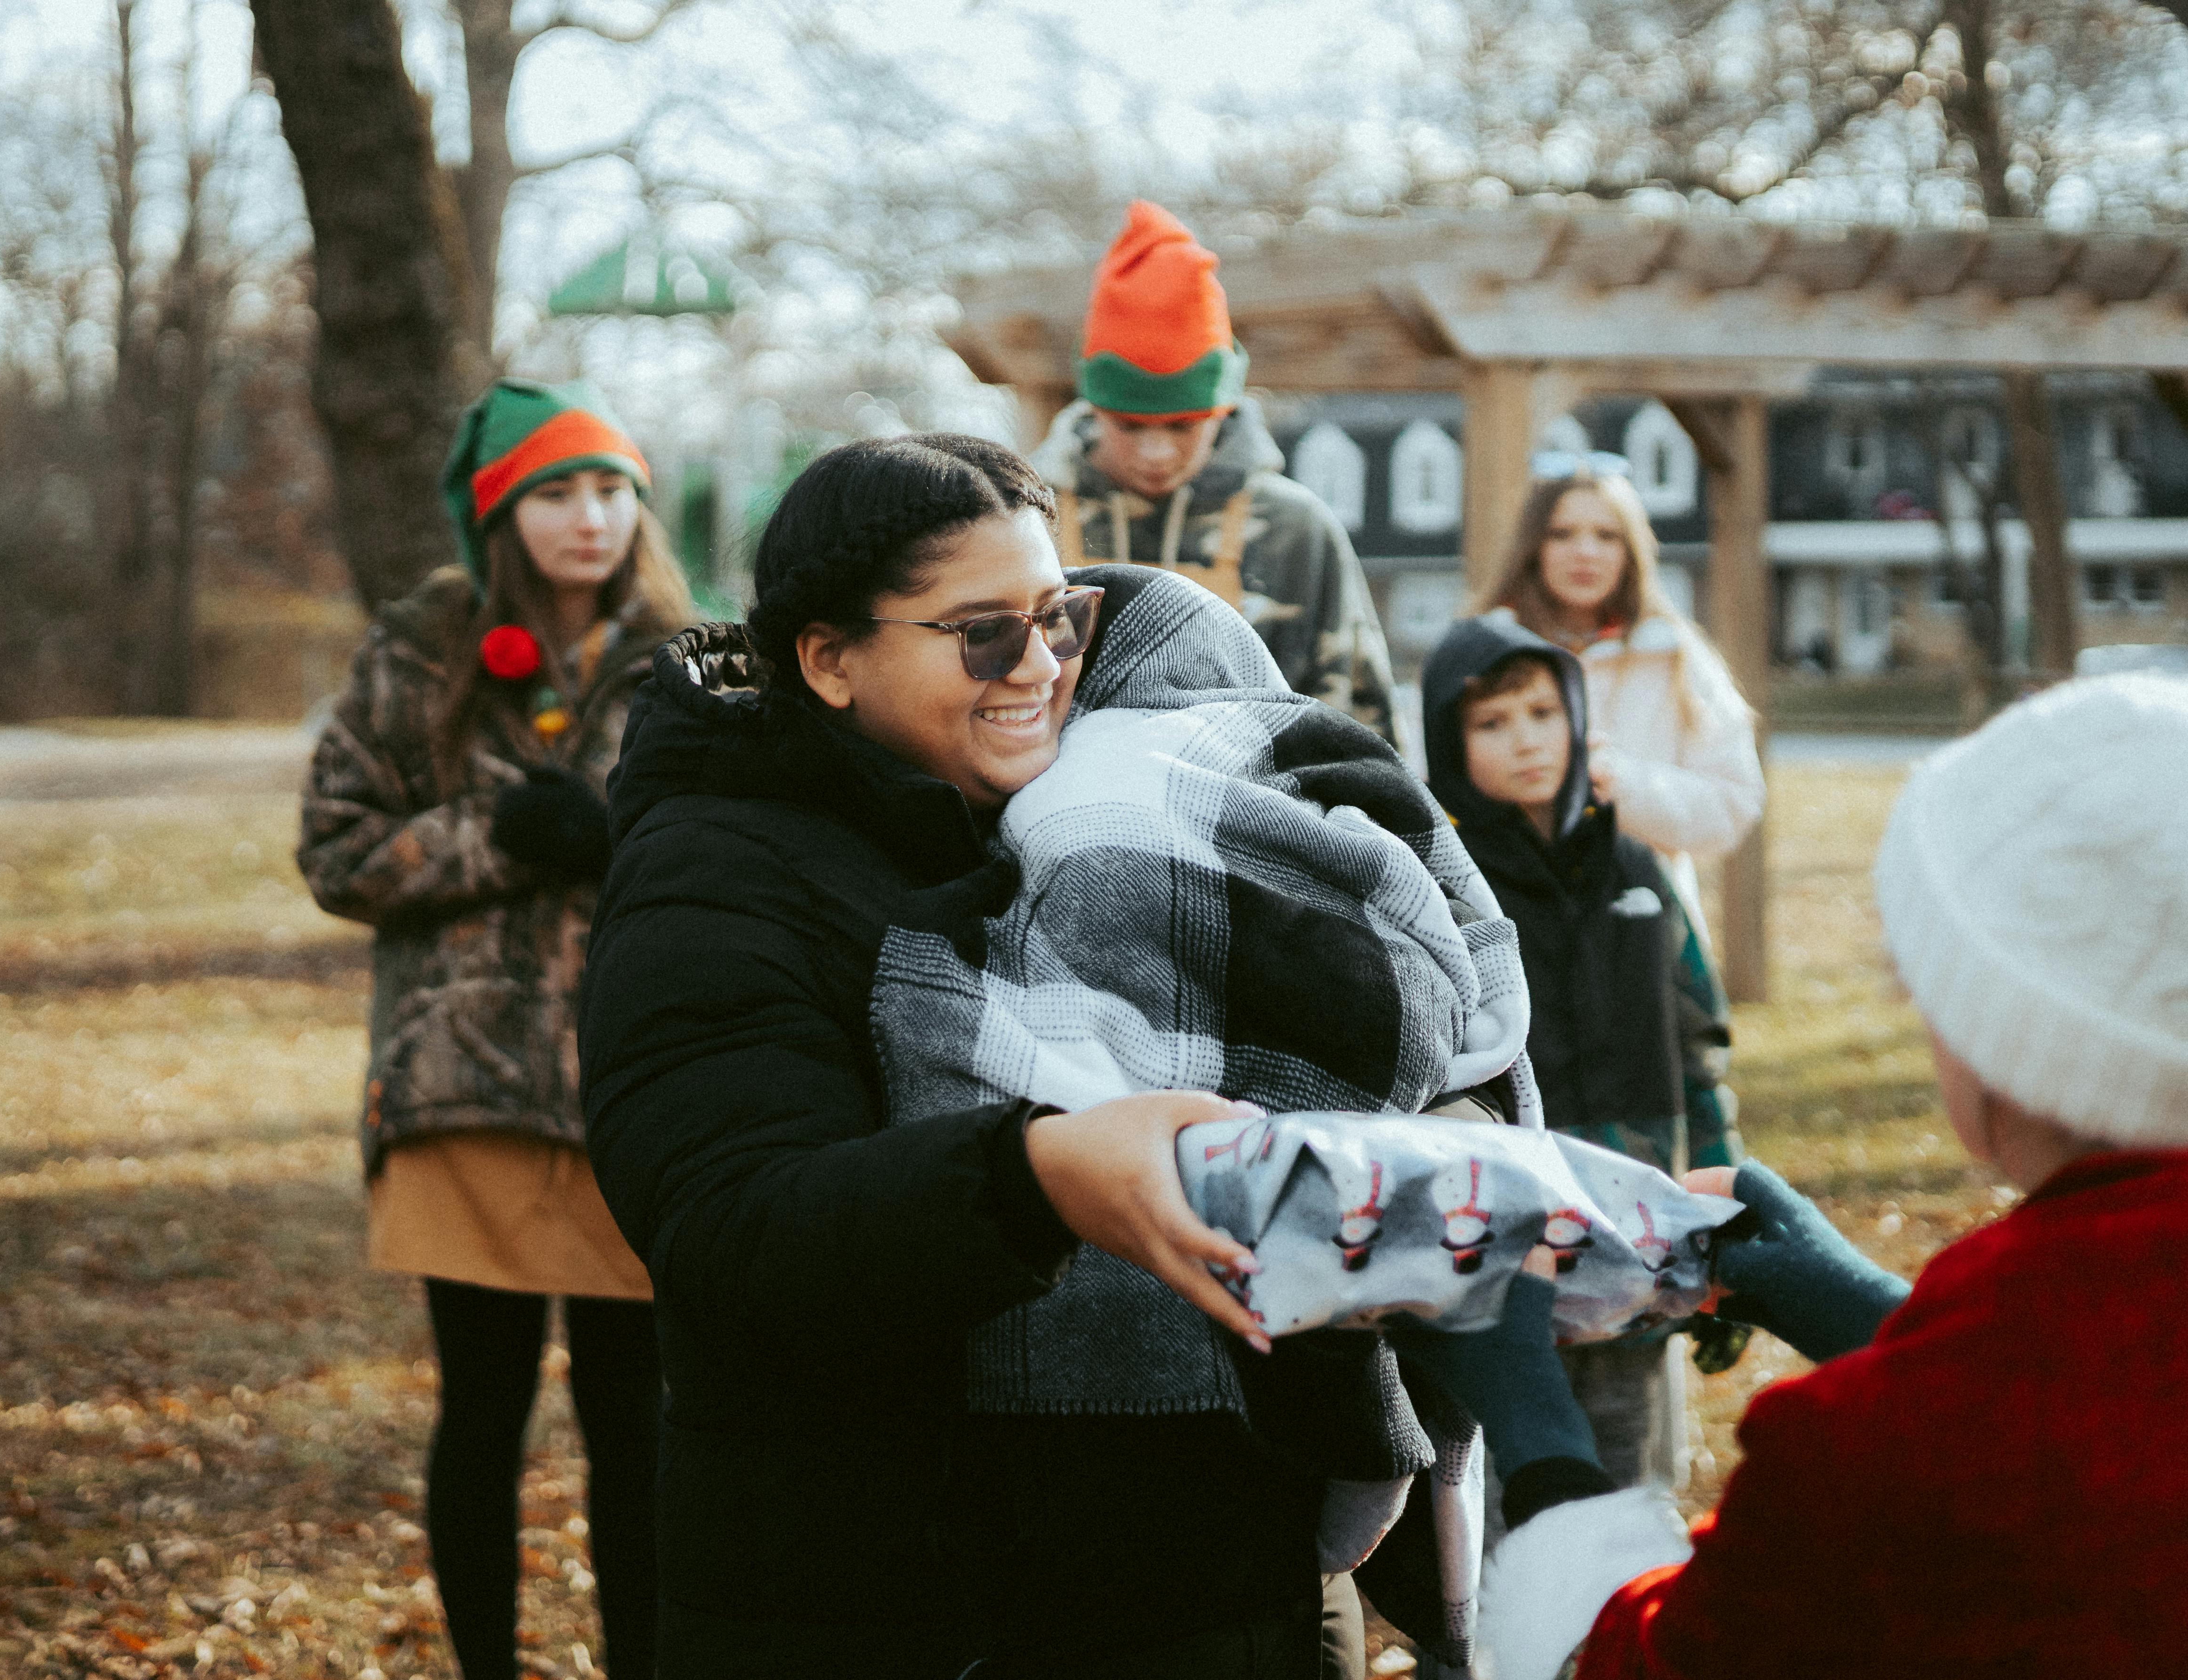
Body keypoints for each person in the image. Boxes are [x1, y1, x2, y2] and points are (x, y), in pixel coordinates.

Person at [1457, 673, 2188, 1680]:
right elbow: (2164, 1402)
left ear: (2007, 1046)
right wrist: (1881, 1317)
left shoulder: (1875, 1468)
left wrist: (1536, 1434)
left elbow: (1622, 1664)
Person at [577, 433, 1383, 1678]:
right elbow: (731, 1226)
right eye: (982, 633)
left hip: (1219, 1590)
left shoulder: (1098, 810)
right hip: (897, 1605)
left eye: (1058, 619)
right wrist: (1036, 1177)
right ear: (828, 660)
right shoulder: (714, 871)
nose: (1044, 668)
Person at [297, 378, 698, 1680]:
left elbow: (730, 852)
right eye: (555, 493)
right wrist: (493, 836)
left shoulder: (692, 660)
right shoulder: (422, 650)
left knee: (634, 1421)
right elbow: (337, 849)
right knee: (482, 1413)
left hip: (633, 1093)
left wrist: (618, 836)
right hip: (463, 1087)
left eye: (609, 489)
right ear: (501, 513)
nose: (589, 520)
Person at [1420, 613, 1737, 1496]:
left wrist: (1724, 1228)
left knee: (1630, 1491)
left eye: (1541, 712)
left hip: (1634, 1254)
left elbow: (1701, 1048)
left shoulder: (1637, 872)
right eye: (1492, 723)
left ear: (1575, 718)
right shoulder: (1443, 893)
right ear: (1452, 740)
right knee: (1514, 1514)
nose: (1526, 740)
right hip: (1504, 1271)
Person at [1469, 465, 1761, 1167]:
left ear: (1633, 550)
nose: (1584, 552)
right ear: (1533, 545)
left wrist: (1617, 782)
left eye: (1606, 534)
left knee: (1643, 1118)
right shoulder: (1482, 652)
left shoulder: (1676, 656)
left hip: (1640, 927)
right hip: (1516, 924)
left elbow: (1731, 805)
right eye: (1563, 532)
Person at [1031, 199, 1399, 744]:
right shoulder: (1030, 523)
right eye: (1130, 426)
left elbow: (1362, 724)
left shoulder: (1294, 529)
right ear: (1094, 408)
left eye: (1182, 426)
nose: (1155, 453)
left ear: (1222, 410)